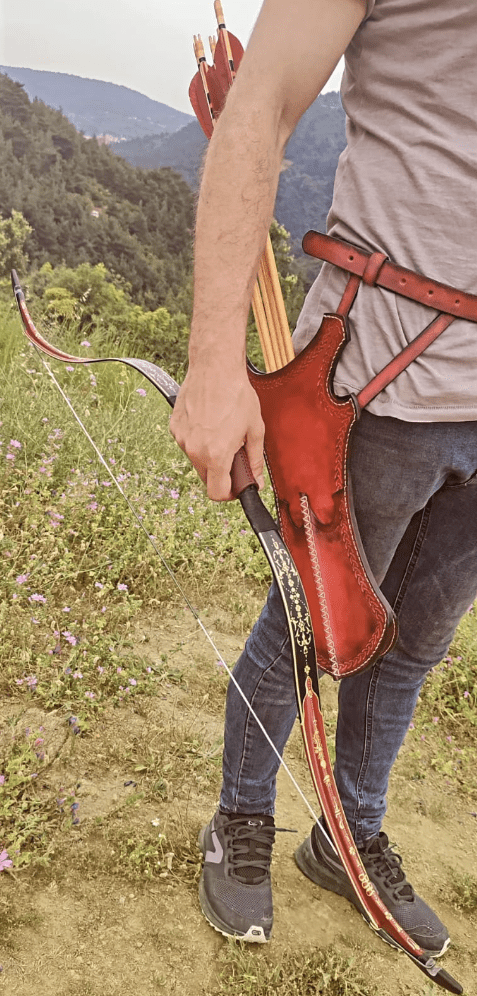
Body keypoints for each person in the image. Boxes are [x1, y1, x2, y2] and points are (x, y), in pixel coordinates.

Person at [170, 0, 477, 955]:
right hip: (377, 368)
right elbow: (258, 105)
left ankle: (348, 836)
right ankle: (243, 817)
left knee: (416, 639)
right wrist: (216, 365)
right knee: (310, 619)